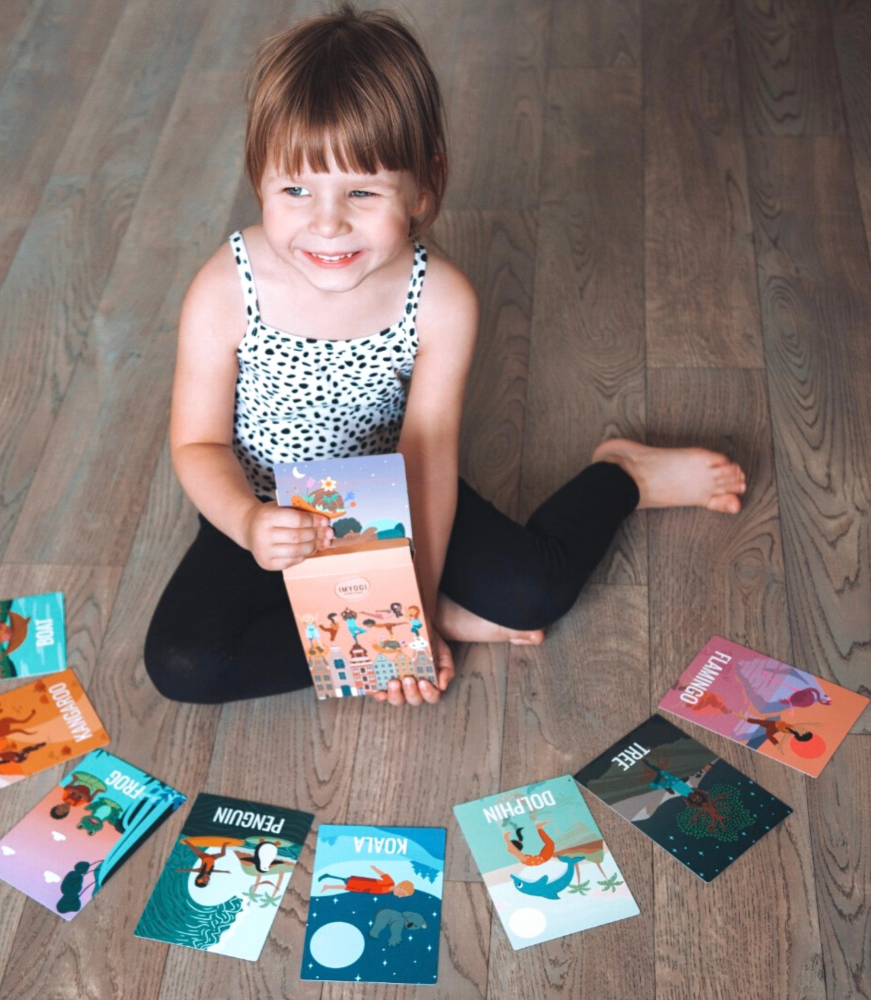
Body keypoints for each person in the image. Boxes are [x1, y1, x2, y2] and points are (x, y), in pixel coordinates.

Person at [144, 4, 747, 707]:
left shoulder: (441, 298)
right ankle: (405, 631)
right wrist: (251, 525)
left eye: (363, 191)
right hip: (262, 505)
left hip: (392, 496)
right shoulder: (227, 285)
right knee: (183, 664)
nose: (326, 222)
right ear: (259, 179)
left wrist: (413, 609)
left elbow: (427, 456)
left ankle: (624, 476)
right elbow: (196, 441)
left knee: (535, 592)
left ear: (424, 185)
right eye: (295, 189)